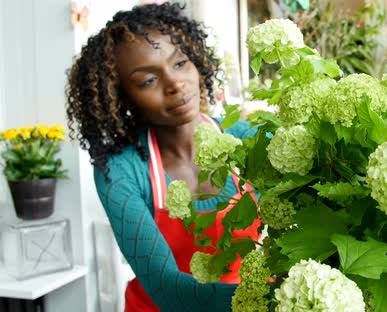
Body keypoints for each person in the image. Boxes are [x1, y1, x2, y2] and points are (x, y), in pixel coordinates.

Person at [65, 3, 259, 311]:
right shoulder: (119, 171)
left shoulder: (249, 140)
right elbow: (167, 289)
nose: (175, 84)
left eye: (180, 63)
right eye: (148, 81)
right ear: (122, 98)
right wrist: (274, 300)